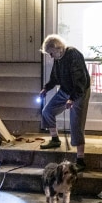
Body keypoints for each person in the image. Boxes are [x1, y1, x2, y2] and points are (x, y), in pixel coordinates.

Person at [38, 34, 91, 171]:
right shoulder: (58, 58)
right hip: (65, 90)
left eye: (50, 53)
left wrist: (72, 99)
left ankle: (80, 160)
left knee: (76, 123)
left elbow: (80, 80)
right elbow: (55, 77)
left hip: (79, 91)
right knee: (47, 111)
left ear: (57, 48)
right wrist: (46, 88)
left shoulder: (73, 55)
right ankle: (55, 139)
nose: (50, 56)